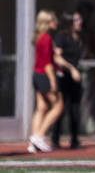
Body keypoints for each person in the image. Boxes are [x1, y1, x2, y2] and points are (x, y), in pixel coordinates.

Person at [28, 10, 64, 153]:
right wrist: (52, 80)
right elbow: (47, 62)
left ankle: (34, 141)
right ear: (47, 22)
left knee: (41, 107)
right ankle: (39, 135)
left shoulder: (39, 37)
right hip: (44, 75)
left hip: (37, 75)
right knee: (58, 106)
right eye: (53, 20)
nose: (55, 23)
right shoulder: (46, 38)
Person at [51, 12, 83, 149]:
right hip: (64, 78)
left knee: (75, 110)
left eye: (80, 19)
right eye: (76, 20)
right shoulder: (61, 37)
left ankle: (74, 140)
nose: (79, 22)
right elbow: (57, 57)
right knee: (61, 109)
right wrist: (71, 69)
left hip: (75, 79)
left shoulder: (78, 38)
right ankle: (55, 139)